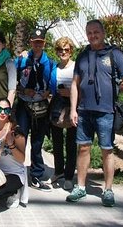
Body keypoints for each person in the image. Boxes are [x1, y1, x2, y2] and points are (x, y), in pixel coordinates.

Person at [67, 20, 123, 207]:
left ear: (103, 33)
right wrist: (73, 109)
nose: (92, 35)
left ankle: (108, 190)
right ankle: (80, 187)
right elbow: (74, 84)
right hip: (84, 111)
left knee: (107, 149)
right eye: (89, 32)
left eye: (96, 32)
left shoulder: (114, 54)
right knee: (83, 148)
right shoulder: (82, 56)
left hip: (106, 112)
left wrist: (113, 91)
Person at [15, 27, 54, 191]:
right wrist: (23, 90)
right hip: (24, 104)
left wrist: (48, 92)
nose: (37, 45)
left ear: (44, 43)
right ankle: (17, 172)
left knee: (37, 142)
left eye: (40, 43)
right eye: (34, 42)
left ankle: (36, 174)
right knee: (20, 139)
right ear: (30, 43)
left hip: (41, 106)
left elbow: (54, 82)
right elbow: (12, 82)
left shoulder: (49, 62)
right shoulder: (21, 60)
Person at [48, 36, 77, 190]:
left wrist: (70, 93)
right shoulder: (55, 67)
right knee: (57, 142)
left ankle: (69, 176)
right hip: (57, 106)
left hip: (73, 106)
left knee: (71, 143)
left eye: (66, 49)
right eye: (60, 49)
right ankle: (58, 171)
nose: (63, 52)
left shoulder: (76, 67)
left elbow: (82, 87)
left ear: (71, 50)